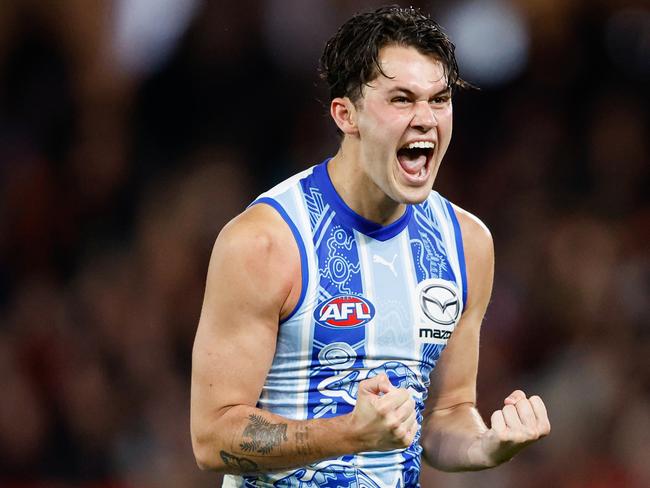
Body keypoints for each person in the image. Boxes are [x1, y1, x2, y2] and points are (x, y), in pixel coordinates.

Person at [190, 5, 550, 487]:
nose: (426, 119)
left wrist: (488, 444)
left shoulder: (467, 244)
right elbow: (211, 437)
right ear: (347, 114)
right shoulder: (265, 243)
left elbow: (445, 416)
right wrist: (349, 434)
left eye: (439, 99)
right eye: (402, 99)